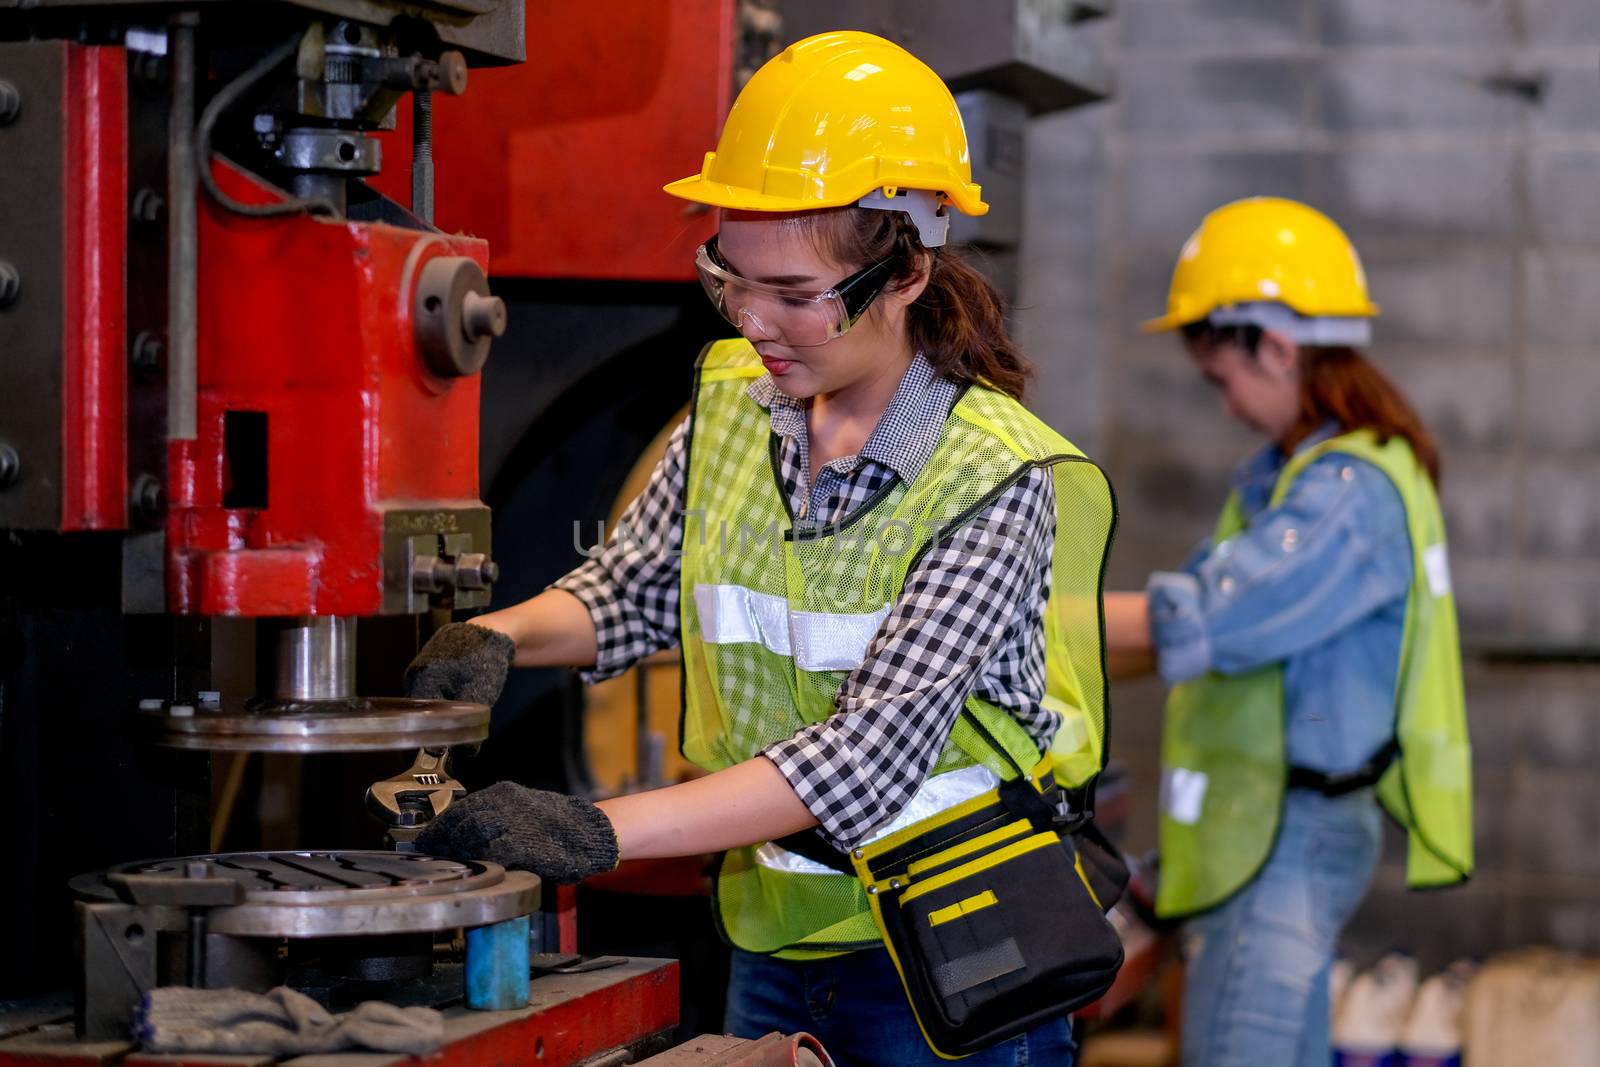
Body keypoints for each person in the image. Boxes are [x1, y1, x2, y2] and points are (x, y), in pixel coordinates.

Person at [403, 31, 1115, 1066]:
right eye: (728, 277)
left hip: (955, 950)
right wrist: (496, 634)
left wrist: (599, 829)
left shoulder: (998, 478)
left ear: (906, 270)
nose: (751, 319)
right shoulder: (738, 398)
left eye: (792, 294)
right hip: (776, 933)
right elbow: (637, 585)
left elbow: (864, 758)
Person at [1103, 197, 1474, 1067]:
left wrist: (1016, 619)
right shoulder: (1301, 477)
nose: (1226, 406)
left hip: (1284, 840)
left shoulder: (1344, 498)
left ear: (1275, 343)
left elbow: (1206, 615)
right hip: (1272, 826)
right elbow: (1198, 605)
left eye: (1220, 378)